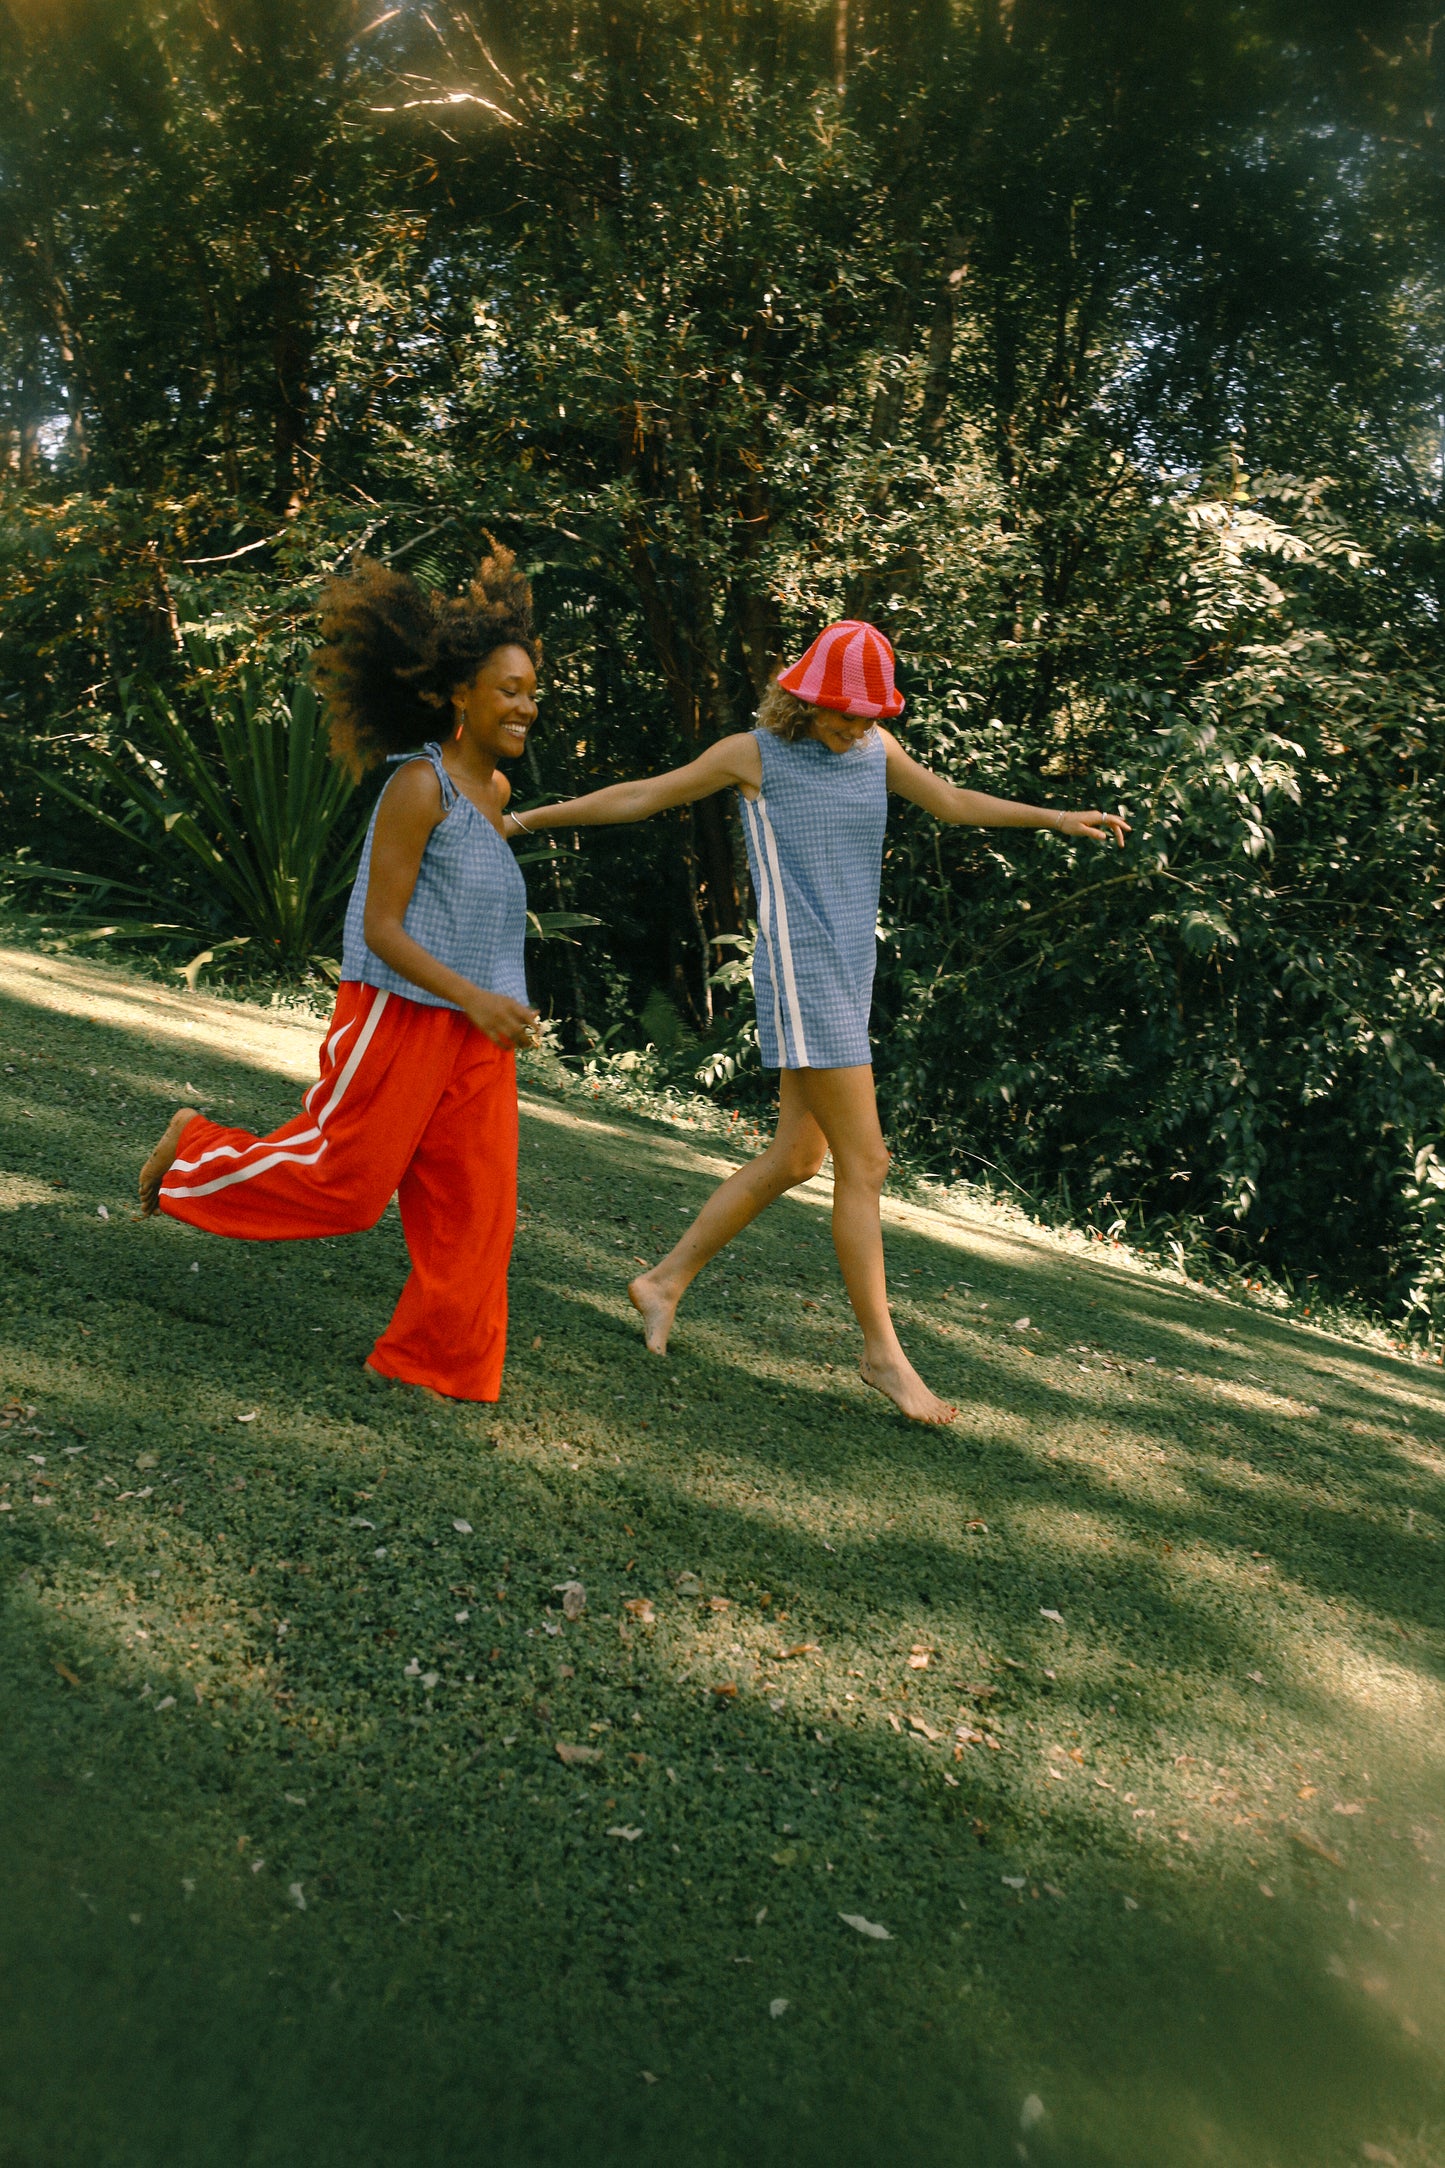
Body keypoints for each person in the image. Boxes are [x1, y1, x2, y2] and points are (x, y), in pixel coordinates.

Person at [517, 620, 1128, 1424]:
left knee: (798, 1156)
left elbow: (949, 802)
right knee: (865, 1163)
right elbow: (642, 795)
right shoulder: (753, 755)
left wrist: (1053, 817)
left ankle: (661, 1283)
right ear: (804, 699)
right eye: (844, 712)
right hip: (802, 974)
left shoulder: (874, 752)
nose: (856, 726)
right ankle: (882, 1356)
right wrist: (524, 822)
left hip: (846, 974)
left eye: (869, 715)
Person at [137, 544, 543, 1403]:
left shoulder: (497, 795)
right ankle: (193, 1152)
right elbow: (379, 928)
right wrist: (471, 997)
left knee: (476, 1208)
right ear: (459, 693)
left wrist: (490, 1007)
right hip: (402, 1012)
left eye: (530, 692)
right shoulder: (419, 787)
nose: (524, 706)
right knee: (347, 1189)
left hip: (479, 1036)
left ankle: (435, 1363)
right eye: (508, 690)